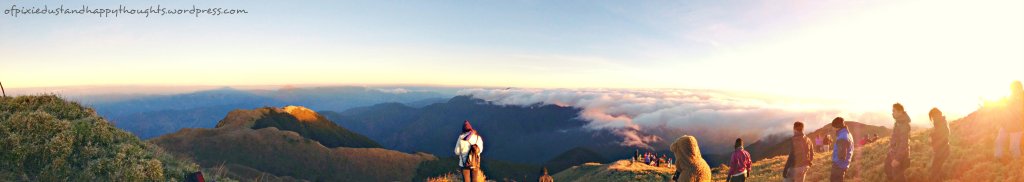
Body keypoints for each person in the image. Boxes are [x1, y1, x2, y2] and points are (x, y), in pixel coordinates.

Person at [996, 81, 1024, 161]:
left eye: (1014, 88)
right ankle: (998, 160)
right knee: (999, 142)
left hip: (1017, 127)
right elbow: (1005, 110)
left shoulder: (1022, 98)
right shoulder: (1010, 97)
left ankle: (1017, 164)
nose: (1013, 90)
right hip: (1006, 125)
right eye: (1012, 89)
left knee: (1013, 148)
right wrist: (1001, 123)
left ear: (1019, 88)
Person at [885, 103, 912, 182]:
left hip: (899, 156)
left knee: (898, 177)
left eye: (894, 111)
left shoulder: (903, 124)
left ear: (900, 112)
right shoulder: (898, 123)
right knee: (889, 172)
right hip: (894, 153)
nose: (892, 113)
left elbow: (904, 143)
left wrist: (897, 159)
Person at [929, 108, 951, 181]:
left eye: (932, 117)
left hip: (942, 151)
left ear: (936, 115)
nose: (932, 119)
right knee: (936, 170)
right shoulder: (941, 122)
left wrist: (933, 136)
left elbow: (944, 135)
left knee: (935, 171)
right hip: (941, 150)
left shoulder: (941, 123)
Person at [831, 117, 854, 182]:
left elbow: (842, 156)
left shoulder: (842, 137)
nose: (833, 129)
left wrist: (836, 163)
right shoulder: (847, 134)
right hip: (843, 165)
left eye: (833, 127)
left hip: (838, 166)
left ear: (837, 127)